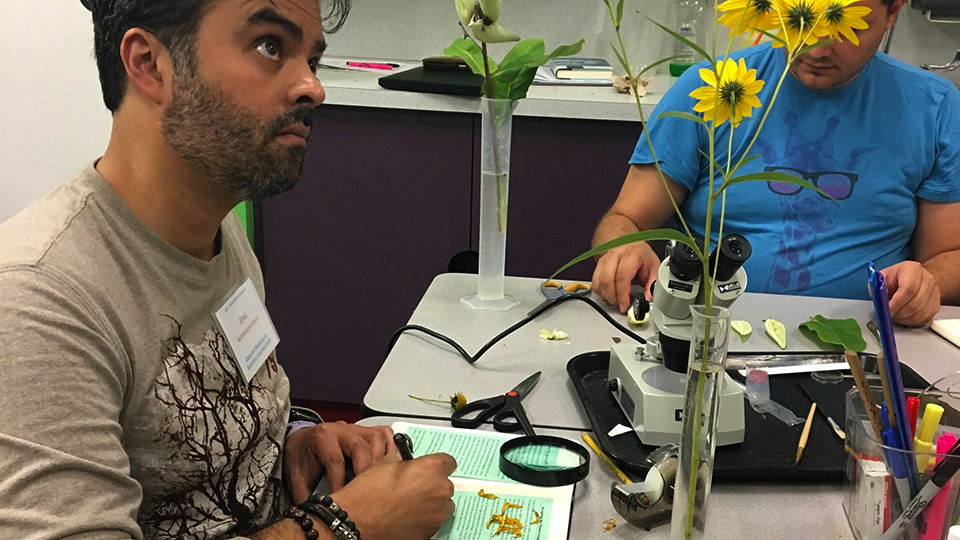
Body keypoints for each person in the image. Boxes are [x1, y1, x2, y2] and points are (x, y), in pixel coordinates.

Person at [0, 1, 456, 539]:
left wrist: (298, 441)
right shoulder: (39, 299)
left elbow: (233, 414)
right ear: (149, 64)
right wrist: (348, 526)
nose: (313, 87)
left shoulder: (219, 226)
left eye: (311, 57)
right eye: (270, 46)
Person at [592, 0, 960, 327]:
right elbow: (627, 220)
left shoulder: (934, 107)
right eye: (800, 20)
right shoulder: (714, 88)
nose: (816, 48)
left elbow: (949, 256)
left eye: (845, 25)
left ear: (893, 11)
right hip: (710, 335)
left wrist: (927, 283)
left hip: (867, 343)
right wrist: (624, 248)